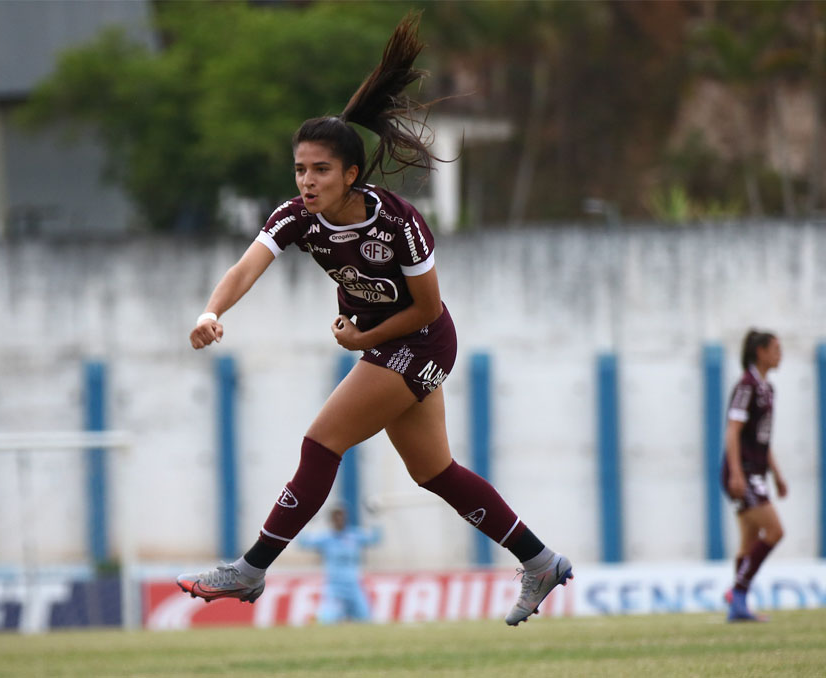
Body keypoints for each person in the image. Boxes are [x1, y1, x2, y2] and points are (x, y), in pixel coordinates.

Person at [176, 13, 572, 627]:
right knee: (435, 473)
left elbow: (428, 309)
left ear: (351, 174)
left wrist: (362, 338)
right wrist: (211, 311)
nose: (307, 181)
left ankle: (251, 570)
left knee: (320, 442)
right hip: (388, 346)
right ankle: (540, 560)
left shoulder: (399, 222)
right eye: (301, 169)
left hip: (424, 339)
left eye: (321, 170)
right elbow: (246, 266)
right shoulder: (297, 216)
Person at [721, 329, 786, 622]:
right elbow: (732, 431)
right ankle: (737, 591)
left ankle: (738, 607)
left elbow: (762, 440)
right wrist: (736, 473)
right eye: (775, 348)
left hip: (757, 471)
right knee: (775, 531)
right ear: (760, 352)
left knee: (748, 541)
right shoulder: (746, 386)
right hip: (744, 473)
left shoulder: (767, 389)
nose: (779, 354)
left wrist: (777, 474)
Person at [296, 506, 380, 625]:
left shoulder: (354, 536)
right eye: (336, 517)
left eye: (342, 517)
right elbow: (303, 542)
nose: (339, 520)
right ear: (332, 520)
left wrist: (375, 517)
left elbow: (376, 538)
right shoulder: (326, 538)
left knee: (366, 618)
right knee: (327, 621)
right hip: (334, 587)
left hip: (354, 585)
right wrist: (309, 523)